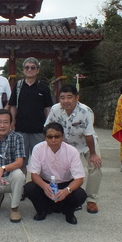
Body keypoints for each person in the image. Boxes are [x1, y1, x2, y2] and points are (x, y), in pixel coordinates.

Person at [44, 84, 101, 214]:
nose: (66, 101)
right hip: (65, 143)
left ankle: (92, 200)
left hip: (86, 143)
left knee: (96, 166)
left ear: (77, 98)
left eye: (69, 97)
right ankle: (59, 192)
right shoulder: (55, 109)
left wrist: (93, 154)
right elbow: (47, 129)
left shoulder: (86, 111)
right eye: (62, 98)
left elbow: (89, 134)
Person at [24, 122, 87, 225]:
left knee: (81, 195)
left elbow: (79, 178)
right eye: (50, 137)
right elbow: (34, 174)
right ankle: (42, 210)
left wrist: (67, 190)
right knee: (29, 188)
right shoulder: (38, 149)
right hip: (46, 183)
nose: (53, 140)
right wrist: (44, 186)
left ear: (62, 137)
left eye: (57, 136)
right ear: (45, 137)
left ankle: (69, 213)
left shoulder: (72, 151)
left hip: (65, 183)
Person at [9, 57, 53, 175]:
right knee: (20, 162)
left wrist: (47, 126)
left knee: (40, 161)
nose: (30, 70)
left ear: (37, 70)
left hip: (38, 131)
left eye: (33, 67)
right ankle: (21, 188)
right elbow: (13, 106)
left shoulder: (44, 88)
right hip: (20, 130)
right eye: (27, 67)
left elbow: (48, 108)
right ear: (23, 70)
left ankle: (38, 189)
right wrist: (12, 122)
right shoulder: (18, 87)